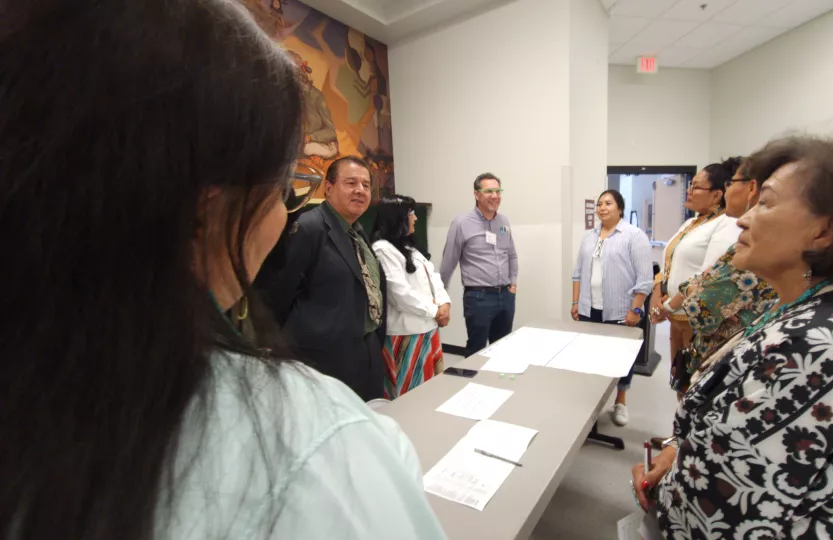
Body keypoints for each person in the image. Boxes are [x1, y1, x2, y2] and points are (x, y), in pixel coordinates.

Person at [0, 1, 446, 539]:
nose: (283, 212)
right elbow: (275, 302)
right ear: (210, 203)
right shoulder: (314, 444)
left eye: (367, 187)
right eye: (285, 188)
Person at [632, 131, 833, 539]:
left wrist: (664, 490)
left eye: (765, 202)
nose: (744, 217)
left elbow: (730, 510)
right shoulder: (824, 306)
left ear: (823, 232)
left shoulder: (819, 346)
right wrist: (679, 451)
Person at [264, 155, 388, 402]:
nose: (360, 191)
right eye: (351, 183)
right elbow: (277, 298)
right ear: (328, 187)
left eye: (365, 185)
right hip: (325, 363)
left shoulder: (358, 233)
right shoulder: (309, 229)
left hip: (366, 356)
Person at [660, 161, 779, 393]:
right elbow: (692, 274)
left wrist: (685, 293)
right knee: (682, 382)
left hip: (719, 349)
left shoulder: (735, 230)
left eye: (730, 183)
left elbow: (703, 300)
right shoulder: (692, 222)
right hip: (688, 324)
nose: (689, 191)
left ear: (752, 188)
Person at [649, 158, 742, 396]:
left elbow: (705, 277)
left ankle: (685, 433)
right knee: (679, 378)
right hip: (675, 319)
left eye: (696, 186)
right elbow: (668, 261)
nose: (689, 190)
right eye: (690, 185)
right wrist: (657, 295)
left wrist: (668, 305)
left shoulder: (726, 224)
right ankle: (678, 432)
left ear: (716, 195)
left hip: (695, 321)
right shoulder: (691, 223)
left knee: (695, 383)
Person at [571, 190, 654, 426]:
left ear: (620, 208)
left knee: (621, 359)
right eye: (599, 204)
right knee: (592, 358)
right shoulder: (589, 237)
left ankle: (621, 400)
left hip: (620, 311)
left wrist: (635, 310)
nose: (602, 207)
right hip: (590, 309)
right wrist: (576, 302)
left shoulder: (633, 236)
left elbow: (645, 280)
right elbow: (577, 273)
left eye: (608, 203)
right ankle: (593, 403)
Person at [372, 195, 452, 398]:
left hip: (428, 329)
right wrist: (435, 311)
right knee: (409, 395)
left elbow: (434, 277)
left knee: (431, 392)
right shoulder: (382, 249)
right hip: (405, 335)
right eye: (411, 213)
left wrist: (444, 303)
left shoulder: (409, 247)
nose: (415, 218)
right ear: (396, 218)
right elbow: (400, 293)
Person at [440, 173, 519, 358]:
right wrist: (441, 298)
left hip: (505, 295)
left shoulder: (503, 222)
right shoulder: (461, 223)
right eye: (488, 191)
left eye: (498, 191)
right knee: (477, 351)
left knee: (503, 349)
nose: (495, 196)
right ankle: (473, 386)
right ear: (476, 194)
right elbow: (448, 263)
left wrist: (513, 284)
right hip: (479, 297)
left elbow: (512, 255)